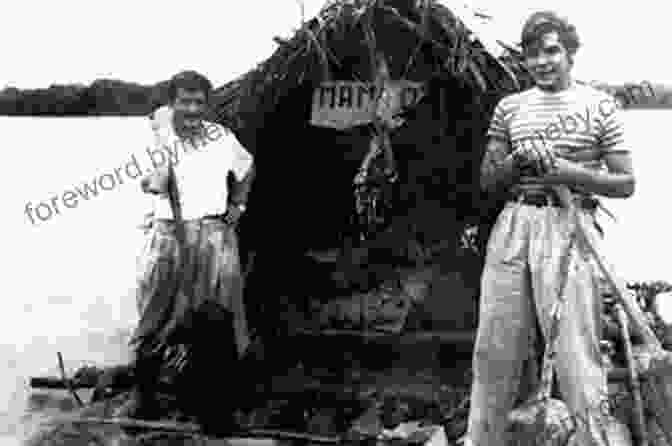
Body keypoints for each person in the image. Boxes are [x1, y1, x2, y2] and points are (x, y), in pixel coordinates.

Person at [466, 11, 650, 446]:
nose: (542, 62)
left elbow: (626, 183)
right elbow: (487, 181)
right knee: (493, 352)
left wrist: (568, 171)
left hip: (569, 227)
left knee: (577, 355)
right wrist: (517, 162)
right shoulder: (509, 108)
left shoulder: (597, 105)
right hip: (514, 225)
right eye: (532, 54)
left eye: (551, 51)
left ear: (570, 53)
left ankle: (596, 439)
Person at [117, 70, 255, 433]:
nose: (192, 109)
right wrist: (152, 182)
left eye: (198, 102)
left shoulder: (222, 138)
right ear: (172, 102)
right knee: (155, 316)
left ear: (207, 106)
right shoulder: (156, 136)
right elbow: (146, 179)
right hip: (167, 234)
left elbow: (247, 168)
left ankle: (215, 404)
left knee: (217, 318)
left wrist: (237, 206)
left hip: (212, 233)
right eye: (185, 101)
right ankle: (143, 398)